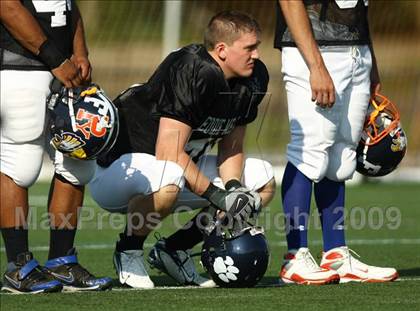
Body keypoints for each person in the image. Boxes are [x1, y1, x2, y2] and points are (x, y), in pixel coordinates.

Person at [90, 10, 276, 289]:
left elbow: (232, 146)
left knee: (262, 181)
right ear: (222, 50)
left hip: (175, 167)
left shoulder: (253, 78)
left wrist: (234, 188)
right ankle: (129, 249)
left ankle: (174, 249)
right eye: (249, 48)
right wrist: (218, 196)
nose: (257, 55)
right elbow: (169, 151)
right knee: (170, 177)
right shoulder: (192, 69)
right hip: (119, 170)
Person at [274, 0, 398, 284]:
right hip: (315, 52)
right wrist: (316, 66)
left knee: (342, 156)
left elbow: (356, 10)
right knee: (309, 150)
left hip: (356, 51)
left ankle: (336, 254)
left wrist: (370, 59)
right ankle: (295, 257)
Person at [0, 0, 112, 293]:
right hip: (19, 66)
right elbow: (8, 6)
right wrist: (55, 59)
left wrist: (79, 52)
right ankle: (18, 266)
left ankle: (61, 261)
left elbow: (66, 5)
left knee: (79, 156)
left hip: (62, 67)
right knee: (19, 163)